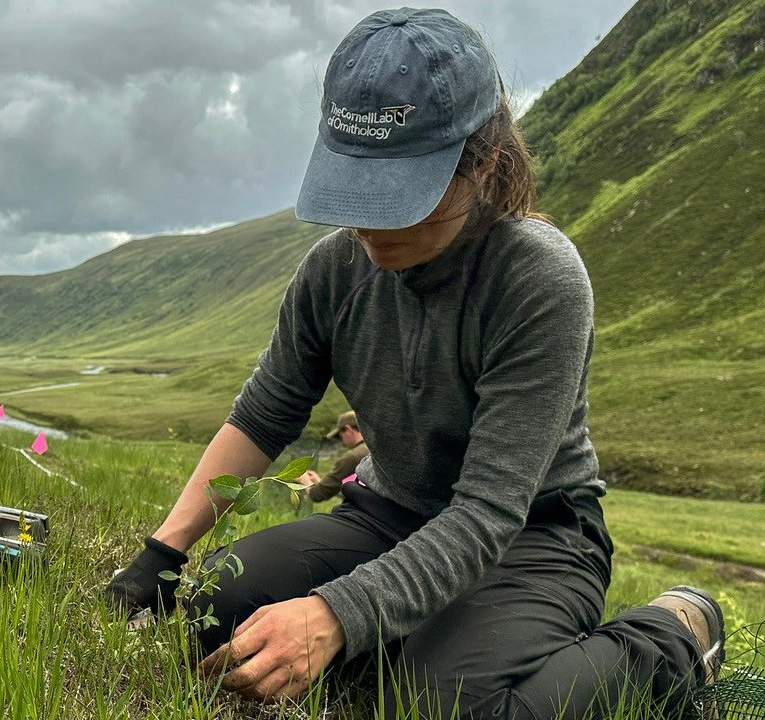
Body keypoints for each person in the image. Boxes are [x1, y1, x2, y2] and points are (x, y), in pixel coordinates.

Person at [105, 8, 724, 719]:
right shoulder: (331, 271)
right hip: (387, 515)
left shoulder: (538, 280)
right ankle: (420, 638)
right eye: (355, 187)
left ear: (485, 163)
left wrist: (337, 614)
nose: (369, 223)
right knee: (219, 603)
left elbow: (490, 511)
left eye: (399, 195)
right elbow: (264, 412)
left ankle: (671, 635)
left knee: (446, 706)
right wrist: (162, 556)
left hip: (530, 537)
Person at [299, 410, 369, 503]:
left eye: (340, 436)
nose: (342, 441)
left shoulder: (353, 456)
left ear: (348, 429)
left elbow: (316, 495)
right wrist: (320, 483)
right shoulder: (375, 450)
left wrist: (305, 481)